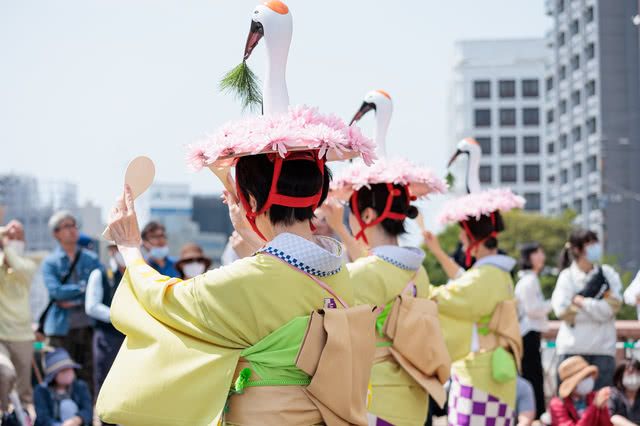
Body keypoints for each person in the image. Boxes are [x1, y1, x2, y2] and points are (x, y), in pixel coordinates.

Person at [95, 3, 378, 422]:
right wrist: (253, 237)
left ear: (248, 198)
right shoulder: (341, 273)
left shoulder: (250, 279)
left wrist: (130, 248)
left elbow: (163, 301)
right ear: (317, 191)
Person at [324, 155, 449, 425]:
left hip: (373, 399)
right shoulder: (420, 272)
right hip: (415, 396)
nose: (353, 220)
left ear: (368, 215)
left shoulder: (361, 274)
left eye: (353, 214)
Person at [431, 187, 525, 426]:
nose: (462, 246)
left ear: (474, 241)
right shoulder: (498, 274)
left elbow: (449, 298)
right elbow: (463, 282)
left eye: (463, 239)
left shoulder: (485, 276)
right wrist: (438, 252)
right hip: (495, 368)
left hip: (479, 373)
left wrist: (418, 288)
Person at [551, 229, 623, 390]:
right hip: (572, 349)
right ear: (577, 249)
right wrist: (598, 308)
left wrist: (582, 302)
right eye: (590, 243)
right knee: (569, 404)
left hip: (603, 349)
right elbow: (562, 312)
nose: (595, 247)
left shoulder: (608, 274)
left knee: (602, 405)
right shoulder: (567, 277)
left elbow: (612, 308)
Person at [41, 211, 100, 392]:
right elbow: (56, 292)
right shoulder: (50, 262)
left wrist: (76, 295)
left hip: (87, 327)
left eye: (74, 225)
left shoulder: (91, 259)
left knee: (88, 377)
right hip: (59, 330)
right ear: (56, 233)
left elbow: (99, 288)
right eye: (66, 226)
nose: (72, 230)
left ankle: (86, 417)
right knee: (57, 377)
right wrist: (84, 289)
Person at [0, 220, 37, 420]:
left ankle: (22, 420)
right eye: (10, 237)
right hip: (1, 338)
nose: (13, 240)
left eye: (18, 236)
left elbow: (18, 264)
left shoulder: (29, 265)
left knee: (24, 393)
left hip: (23, 337)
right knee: (4, 375)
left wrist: (5, 243)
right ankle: (5, 416)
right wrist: (5, 232)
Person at [84, 244, 125, 410]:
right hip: (107, 336)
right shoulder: (100, 274)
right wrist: (118, 315)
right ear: (111, 250)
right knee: (105, 378)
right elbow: (92, 306)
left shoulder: (135, 274)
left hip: (130, 335)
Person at [516, 242, 551, 420]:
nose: (542, 256)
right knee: (532, 376)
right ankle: (534, 415)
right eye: (538, 252)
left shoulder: (529, 279)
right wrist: (550, 305)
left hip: (530, 334)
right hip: (527, 334)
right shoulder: (529, 280)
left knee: (535, 375)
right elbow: (532, 309)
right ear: (530, 257)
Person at [34, 348, 92, 426]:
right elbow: (43, 418)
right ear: (53, 376)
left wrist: (77, 420)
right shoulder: (41, 390)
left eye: (70, 369)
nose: (68, 373)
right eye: (63, 371)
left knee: (67, 406)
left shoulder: (80, 386)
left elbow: (87, 411)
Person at [549, 356, 612, 425]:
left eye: (589, 375)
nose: (588, 380)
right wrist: (594, 406)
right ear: (572, 385)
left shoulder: (595, 397)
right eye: (584, 378)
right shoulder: (557, 404)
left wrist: (602, 408)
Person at [608, 359, 640, 425]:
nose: (635, 376)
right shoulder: (612, 394)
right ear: (621, 375)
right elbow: (611, 416)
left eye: (638, 373)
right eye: (630, 372)